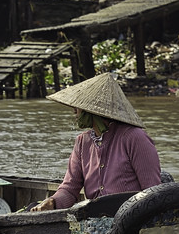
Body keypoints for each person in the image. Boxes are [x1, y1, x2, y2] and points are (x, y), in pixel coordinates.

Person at [30, 73, 162, 212]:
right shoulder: (82, 142)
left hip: (129, 217)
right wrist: (52, 202)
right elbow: (70, 189)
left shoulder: (134, 138)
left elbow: (151, 192)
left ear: (91, 111)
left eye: (78, 107)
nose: (74, 111)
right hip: (95, 218)